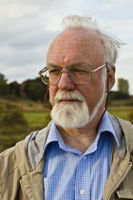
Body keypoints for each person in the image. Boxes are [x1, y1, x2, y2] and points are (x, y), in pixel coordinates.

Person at [0, 15, 133, 200]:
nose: (63, 84)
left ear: (109, 78)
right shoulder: (7, 167)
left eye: (79, 71)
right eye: (54, 71)